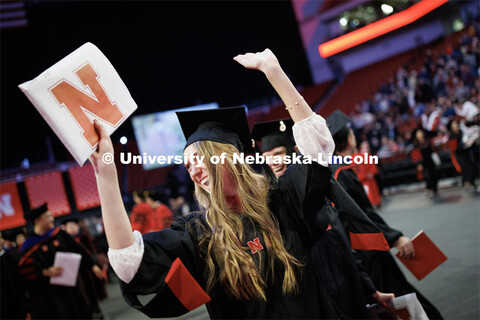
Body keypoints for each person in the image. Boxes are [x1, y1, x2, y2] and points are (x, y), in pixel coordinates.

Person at [89, 49, 341, 318]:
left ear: (228, 156)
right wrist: (105, 174)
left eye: (198, 159)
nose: (193, 171)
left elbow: (318, 149)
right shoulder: (200, 233)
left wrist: (275, 73)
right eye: (187, 166)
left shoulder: (283, 199)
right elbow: (131, 263)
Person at [252, 119, 394, 318]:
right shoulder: (272, 208)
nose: (273, 162)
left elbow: (344, 249)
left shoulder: (320, 194)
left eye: (278, 154)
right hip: (319, 305)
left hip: (351, 295)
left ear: (293, 152)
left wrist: (371, 291)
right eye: (266, 157)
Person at [325, 110, 444, 319]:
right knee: (399, 298)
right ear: (349, 138)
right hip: (368, 251)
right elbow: (363, 214)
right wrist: (395, 237)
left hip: (350, 254)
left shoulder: (328, 171)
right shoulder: (341, 172)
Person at [17, 204, 104, 319]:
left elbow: (78, 249)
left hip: (72, 285)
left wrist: (93, 266)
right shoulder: (29, 247)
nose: (52, 219)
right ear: (37, 220)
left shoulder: (60, 234)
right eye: (48, 216)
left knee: (82, 311)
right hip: (50, 293)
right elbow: (23, 271)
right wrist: (43, 272)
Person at [447, 118, 478, 191]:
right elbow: (454, 148)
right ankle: (467, 182)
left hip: (466, 152)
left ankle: (472, 182)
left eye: (456, 124)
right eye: (454, 125)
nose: (456, 126)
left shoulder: (462, 132)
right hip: (459, 155)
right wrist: (463, 145)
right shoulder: (452, 136)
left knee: (471, 166)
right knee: (465, 168)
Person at [412, 127, 439, 197]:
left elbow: (433, 150)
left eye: (421, 133)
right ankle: (428, 187)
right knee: (427, 176)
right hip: (423, 164)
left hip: (431, 161)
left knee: (434, 175)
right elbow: (415, 155)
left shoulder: (428, 142)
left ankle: (434, 189)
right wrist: (418, 164)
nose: (420, 134)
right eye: (418, 133)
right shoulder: (416, 144)